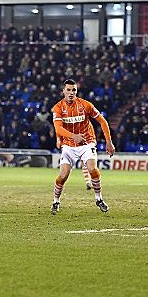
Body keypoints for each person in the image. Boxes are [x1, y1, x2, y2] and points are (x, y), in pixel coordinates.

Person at [50, 79, 115, 214]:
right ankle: (56, 201)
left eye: (73, 90)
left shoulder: (86, 105)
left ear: (76, 91)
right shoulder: (58, 108)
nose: (71, 92)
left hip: (87, 142)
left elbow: (102, 121)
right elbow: (58, 128)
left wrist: (109, 142)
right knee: (63, 175)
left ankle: (99, 199)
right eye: (68, 90)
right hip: (68, 145)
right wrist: (70, 137)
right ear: (63, 91)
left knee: (92, 168)